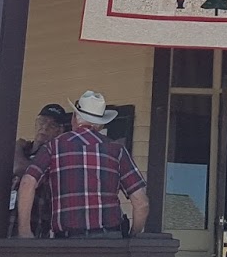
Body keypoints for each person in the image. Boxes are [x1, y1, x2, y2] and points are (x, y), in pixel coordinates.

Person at [17, 90, 148, 239]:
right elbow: (141, 203)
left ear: (74, 118)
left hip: (67, 243)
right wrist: (133, 236)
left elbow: (27, 183)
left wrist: (24, 231)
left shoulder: (53, 147)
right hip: (109, 243)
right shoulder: (116, 149)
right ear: (100, 124)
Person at [18, 103, 71, 238]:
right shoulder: (24, 149)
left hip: (40, 226)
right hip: (10, 224)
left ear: (60, 131)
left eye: (52, 125)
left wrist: (16, 149)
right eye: (42, 121)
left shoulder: (57, 154)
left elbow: (23, 169)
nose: (45, 127)